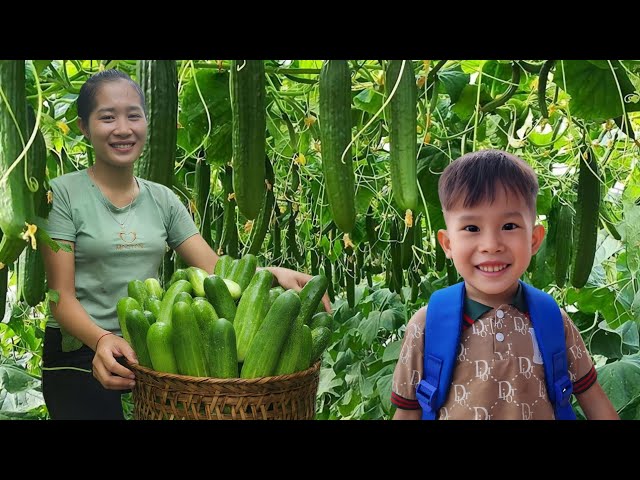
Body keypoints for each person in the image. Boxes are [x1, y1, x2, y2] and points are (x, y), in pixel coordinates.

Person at [41, 68, 330, 420]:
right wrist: (101, 340)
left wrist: (271, 274)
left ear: (147, 122)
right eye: (107, 117)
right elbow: (61, 298)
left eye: (134, 115)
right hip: (79, 352)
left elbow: (214, 270)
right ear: (84, 127)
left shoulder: (163, 200)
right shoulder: (61, 194)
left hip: (149, 348)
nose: (123, 128)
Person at [391, 149, 618, 420]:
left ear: (534, 240)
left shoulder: (552, 320)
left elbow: (592, 397)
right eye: (472, 228)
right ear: (448, 244)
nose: (491, 246)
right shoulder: (426, 325)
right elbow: (407, 411)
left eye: (509, 226)